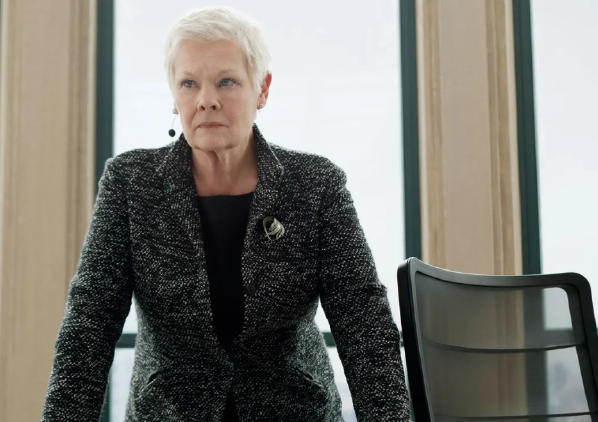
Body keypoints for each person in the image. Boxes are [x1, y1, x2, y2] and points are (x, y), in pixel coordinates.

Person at [42, 6, 410, 421]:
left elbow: (364, 326)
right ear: (174, 94)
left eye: (226, 82)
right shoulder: (130, 183)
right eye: (189, 84)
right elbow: (88, 326)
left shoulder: (316, 185)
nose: (206, 101)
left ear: (262, 89)